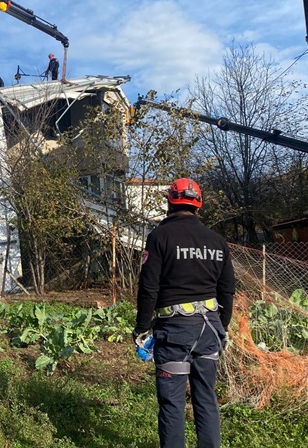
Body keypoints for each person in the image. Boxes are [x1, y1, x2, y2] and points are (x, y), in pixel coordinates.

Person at [133, 177, 235, 448]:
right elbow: (227, 290)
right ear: (198, 205)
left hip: (175, 333)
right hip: (209, 331)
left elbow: (148, 288)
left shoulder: (159, 237)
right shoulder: (217, 241)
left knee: (172, 404)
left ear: (170, 203)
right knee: (206, 398)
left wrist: (142, 328)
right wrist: (222, 327)